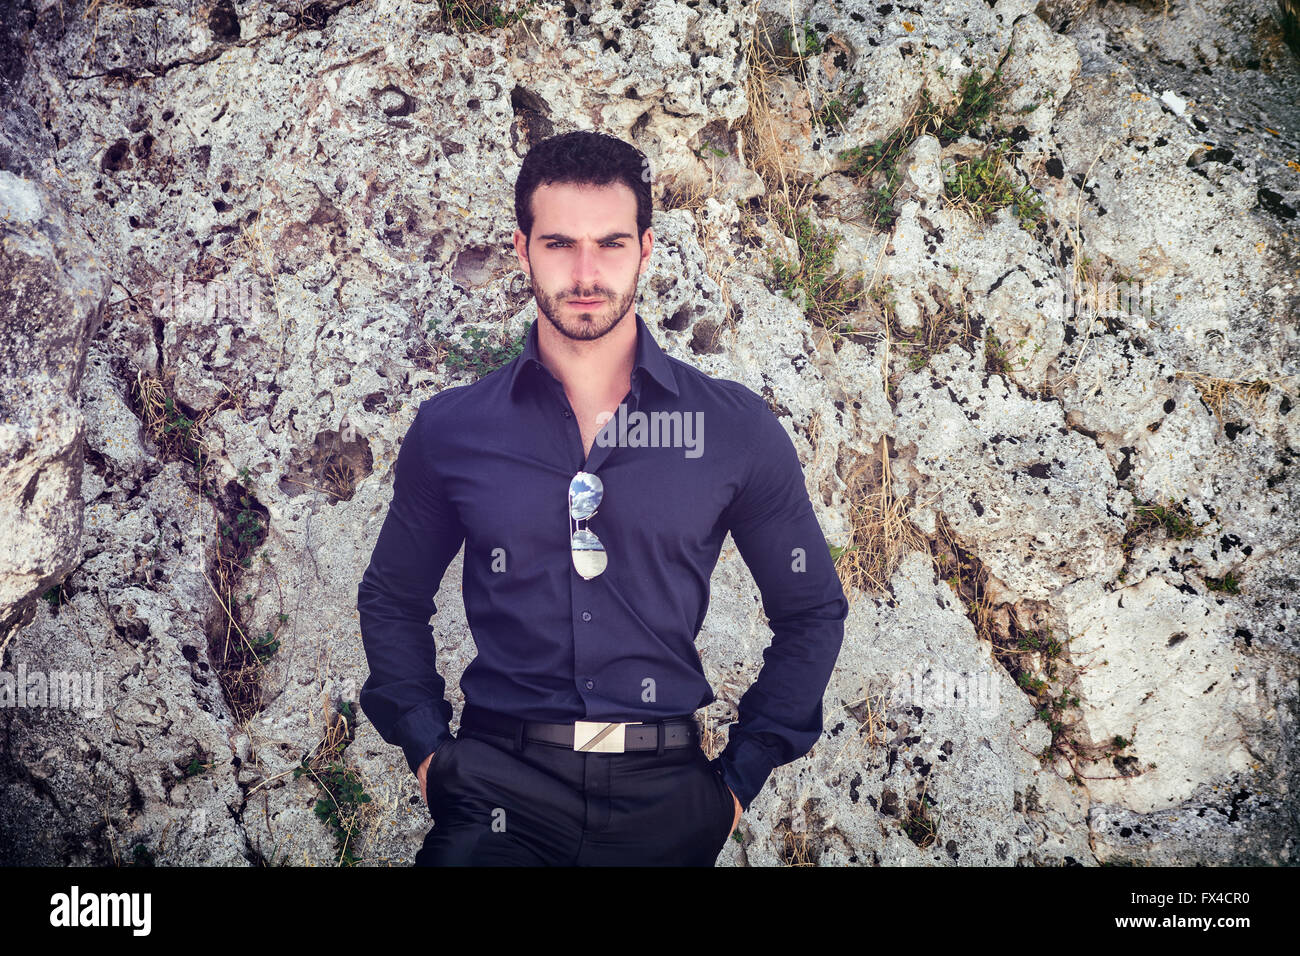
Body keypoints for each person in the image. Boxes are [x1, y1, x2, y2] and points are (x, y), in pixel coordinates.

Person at [356, 130, 848, 865]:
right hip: (497, 791)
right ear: (521, 249)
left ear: (646, 249)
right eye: (559, 244)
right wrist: (431, 756)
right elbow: (392, 597)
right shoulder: (452, 429)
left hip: (667, 800)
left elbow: (811, 609)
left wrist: (735, 784)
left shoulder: (732, 428)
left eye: (611, 244)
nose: (586, 273)